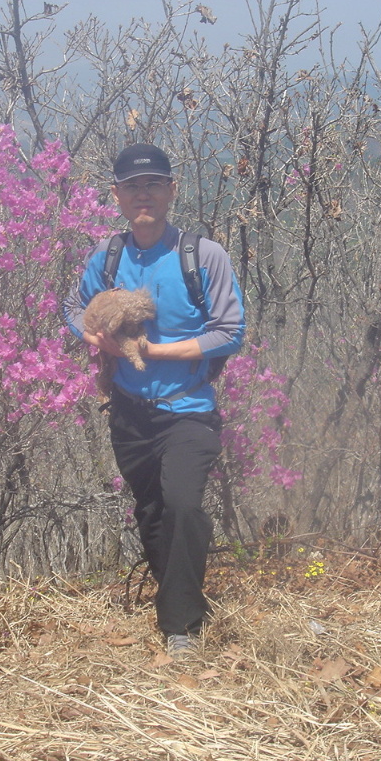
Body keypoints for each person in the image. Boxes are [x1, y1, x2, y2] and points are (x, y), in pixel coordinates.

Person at [63, 143, 246, 656]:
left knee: (185, 506)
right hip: (129, 412)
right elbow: (73, 305)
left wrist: (155, 351)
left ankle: (180, 629)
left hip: (188, 408)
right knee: (151, 513)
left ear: (172, 190)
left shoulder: (201, 256)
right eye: (132, 187)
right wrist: (92, 336)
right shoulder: (107, 257)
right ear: (117, 195)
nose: (143, 195)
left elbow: (230, 332)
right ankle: (187, 606)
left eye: (153, 185)